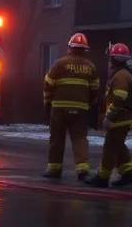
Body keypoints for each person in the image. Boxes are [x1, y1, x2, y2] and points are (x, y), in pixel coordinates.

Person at [41, 32, 100, 180]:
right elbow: (95, 89)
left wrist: (47, 103)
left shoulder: (59, 64)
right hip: (81, 110)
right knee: (79, 138)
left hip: (59, 109)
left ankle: (54, 169)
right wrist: (92, 106)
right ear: (84, 49)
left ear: (70, 48)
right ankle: (82, 170)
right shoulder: (90, 67)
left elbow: (48, 84)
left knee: (56, 138)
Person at [87, 42, 132, 188]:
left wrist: (109, 116)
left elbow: (119, 98)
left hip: (119, 119)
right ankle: (129, 172)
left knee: (110, 147)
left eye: (110, 58)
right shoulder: (122, 73)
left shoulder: (121, 76)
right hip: (121, 118)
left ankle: (102, 177)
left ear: (114, 59)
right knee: (118, 145)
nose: (109, 61)